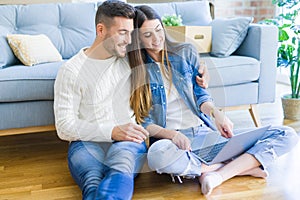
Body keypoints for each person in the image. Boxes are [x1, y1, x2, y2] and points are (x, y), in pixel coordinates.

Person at [127, 5, 299, 196]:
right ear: (137, 38)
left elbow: (201, 95)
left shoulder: (185, 52)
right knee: (156, 156)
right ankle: (238, 167)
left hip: (203, 133)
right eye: (147, 34)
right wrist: (172, 135)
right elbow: (143, 122)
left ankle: (216, 174)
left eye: (158, 30)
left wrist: (217, 114)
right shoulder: (135, 71)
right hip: (173, 142)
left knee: (287, 134)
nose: (157, 38)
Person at [53, 1, 150, 199]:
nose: (128, 40)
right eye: (122, 32)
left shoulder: (130, 60)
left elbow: (171, 57)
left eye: (130, 33)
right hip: (86, 142)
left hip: (129, 140)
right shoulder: (71, 71)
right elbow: (64, 126)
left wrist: (200, 69)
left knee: (121, 166)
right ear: (101, 30)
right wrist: (112, 131)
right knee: (92, 180)